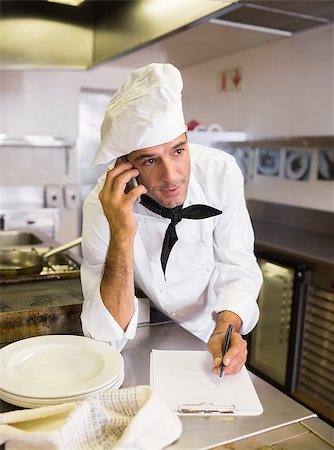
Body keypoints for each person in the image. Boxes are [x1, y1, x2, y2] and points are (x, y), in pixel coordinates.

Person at [80, 63, 263, 376]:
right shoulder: (103, 203)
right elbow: (105, 336)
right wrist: (121, 231)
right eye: (151, 160)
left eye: (178, 150)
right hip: (145, 336)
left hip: (210, 334)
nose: (172, 176)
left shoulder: (221, 172)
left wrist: (228, 324)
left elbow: (239, 266)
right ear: (125, 165)